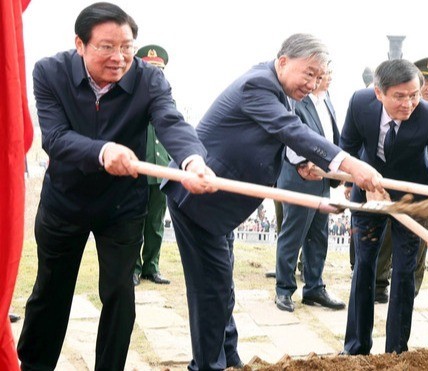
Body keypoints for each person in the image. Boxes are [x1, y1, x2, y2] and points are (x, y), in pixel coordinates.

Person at [161, 33, 383, 370]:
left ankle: (228, 358)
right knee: (211, 288)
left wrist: (301, 164)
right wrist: (350, 164)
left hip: (222, 205)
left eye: (319, 77)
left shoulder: (279, 89)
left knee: (221, 283)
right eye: (309, 73)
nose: (313, 83)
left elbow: (278, 137)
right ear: (283, 61)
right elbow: (290, 129)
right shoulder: (258, 85)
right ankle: (208, 366)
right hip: (198, 200)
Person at [16, 3, 213, 370]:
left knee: (120, 292)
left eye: (127, 46)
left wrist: (192, 160)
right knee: (50, 292)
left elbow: (171, 121)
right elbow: (55, 138)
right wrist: (102, 151)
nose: (119, 58)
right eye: (107, 46)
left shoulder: (149, 79)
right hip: (65, 202)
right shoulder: (50, 72)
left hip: (122, 205)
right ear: (80, 44)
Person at [340, 59, 428, 355]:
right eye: (400, 97)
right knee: (364, 265)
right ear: (379, 93)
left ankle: (396, 352)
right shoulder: (359, 103)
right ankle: (356, 347)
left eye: (414, 95)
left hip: (411, 197)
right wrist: (352, 184)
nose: (409, 104)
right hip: (368, 190)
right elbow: (347, 147)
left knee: (404, 272)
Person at [275, 67, 345, 312]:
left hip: (323, 178)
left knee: (319, 235)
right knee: (293, 234)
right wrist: (305, 162)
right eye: (325, 72)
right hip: (300, 176)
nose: (330, 75)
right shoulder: (297, 102)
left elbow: (333, 138)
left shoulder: (327, 102)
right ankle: (284, 290)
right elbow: (290, 138)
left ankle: (314, 288)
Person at [133, 44, 172, 286]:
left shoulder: (166, 98)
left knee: (156, 225)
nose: (156, 73)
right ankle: (134, 268)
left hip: (161, 172)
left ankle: (151, 266)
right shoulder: (133, 98)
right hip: (138, 171)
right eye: (150, 68)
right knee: (136, 223)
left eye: (159, 69)